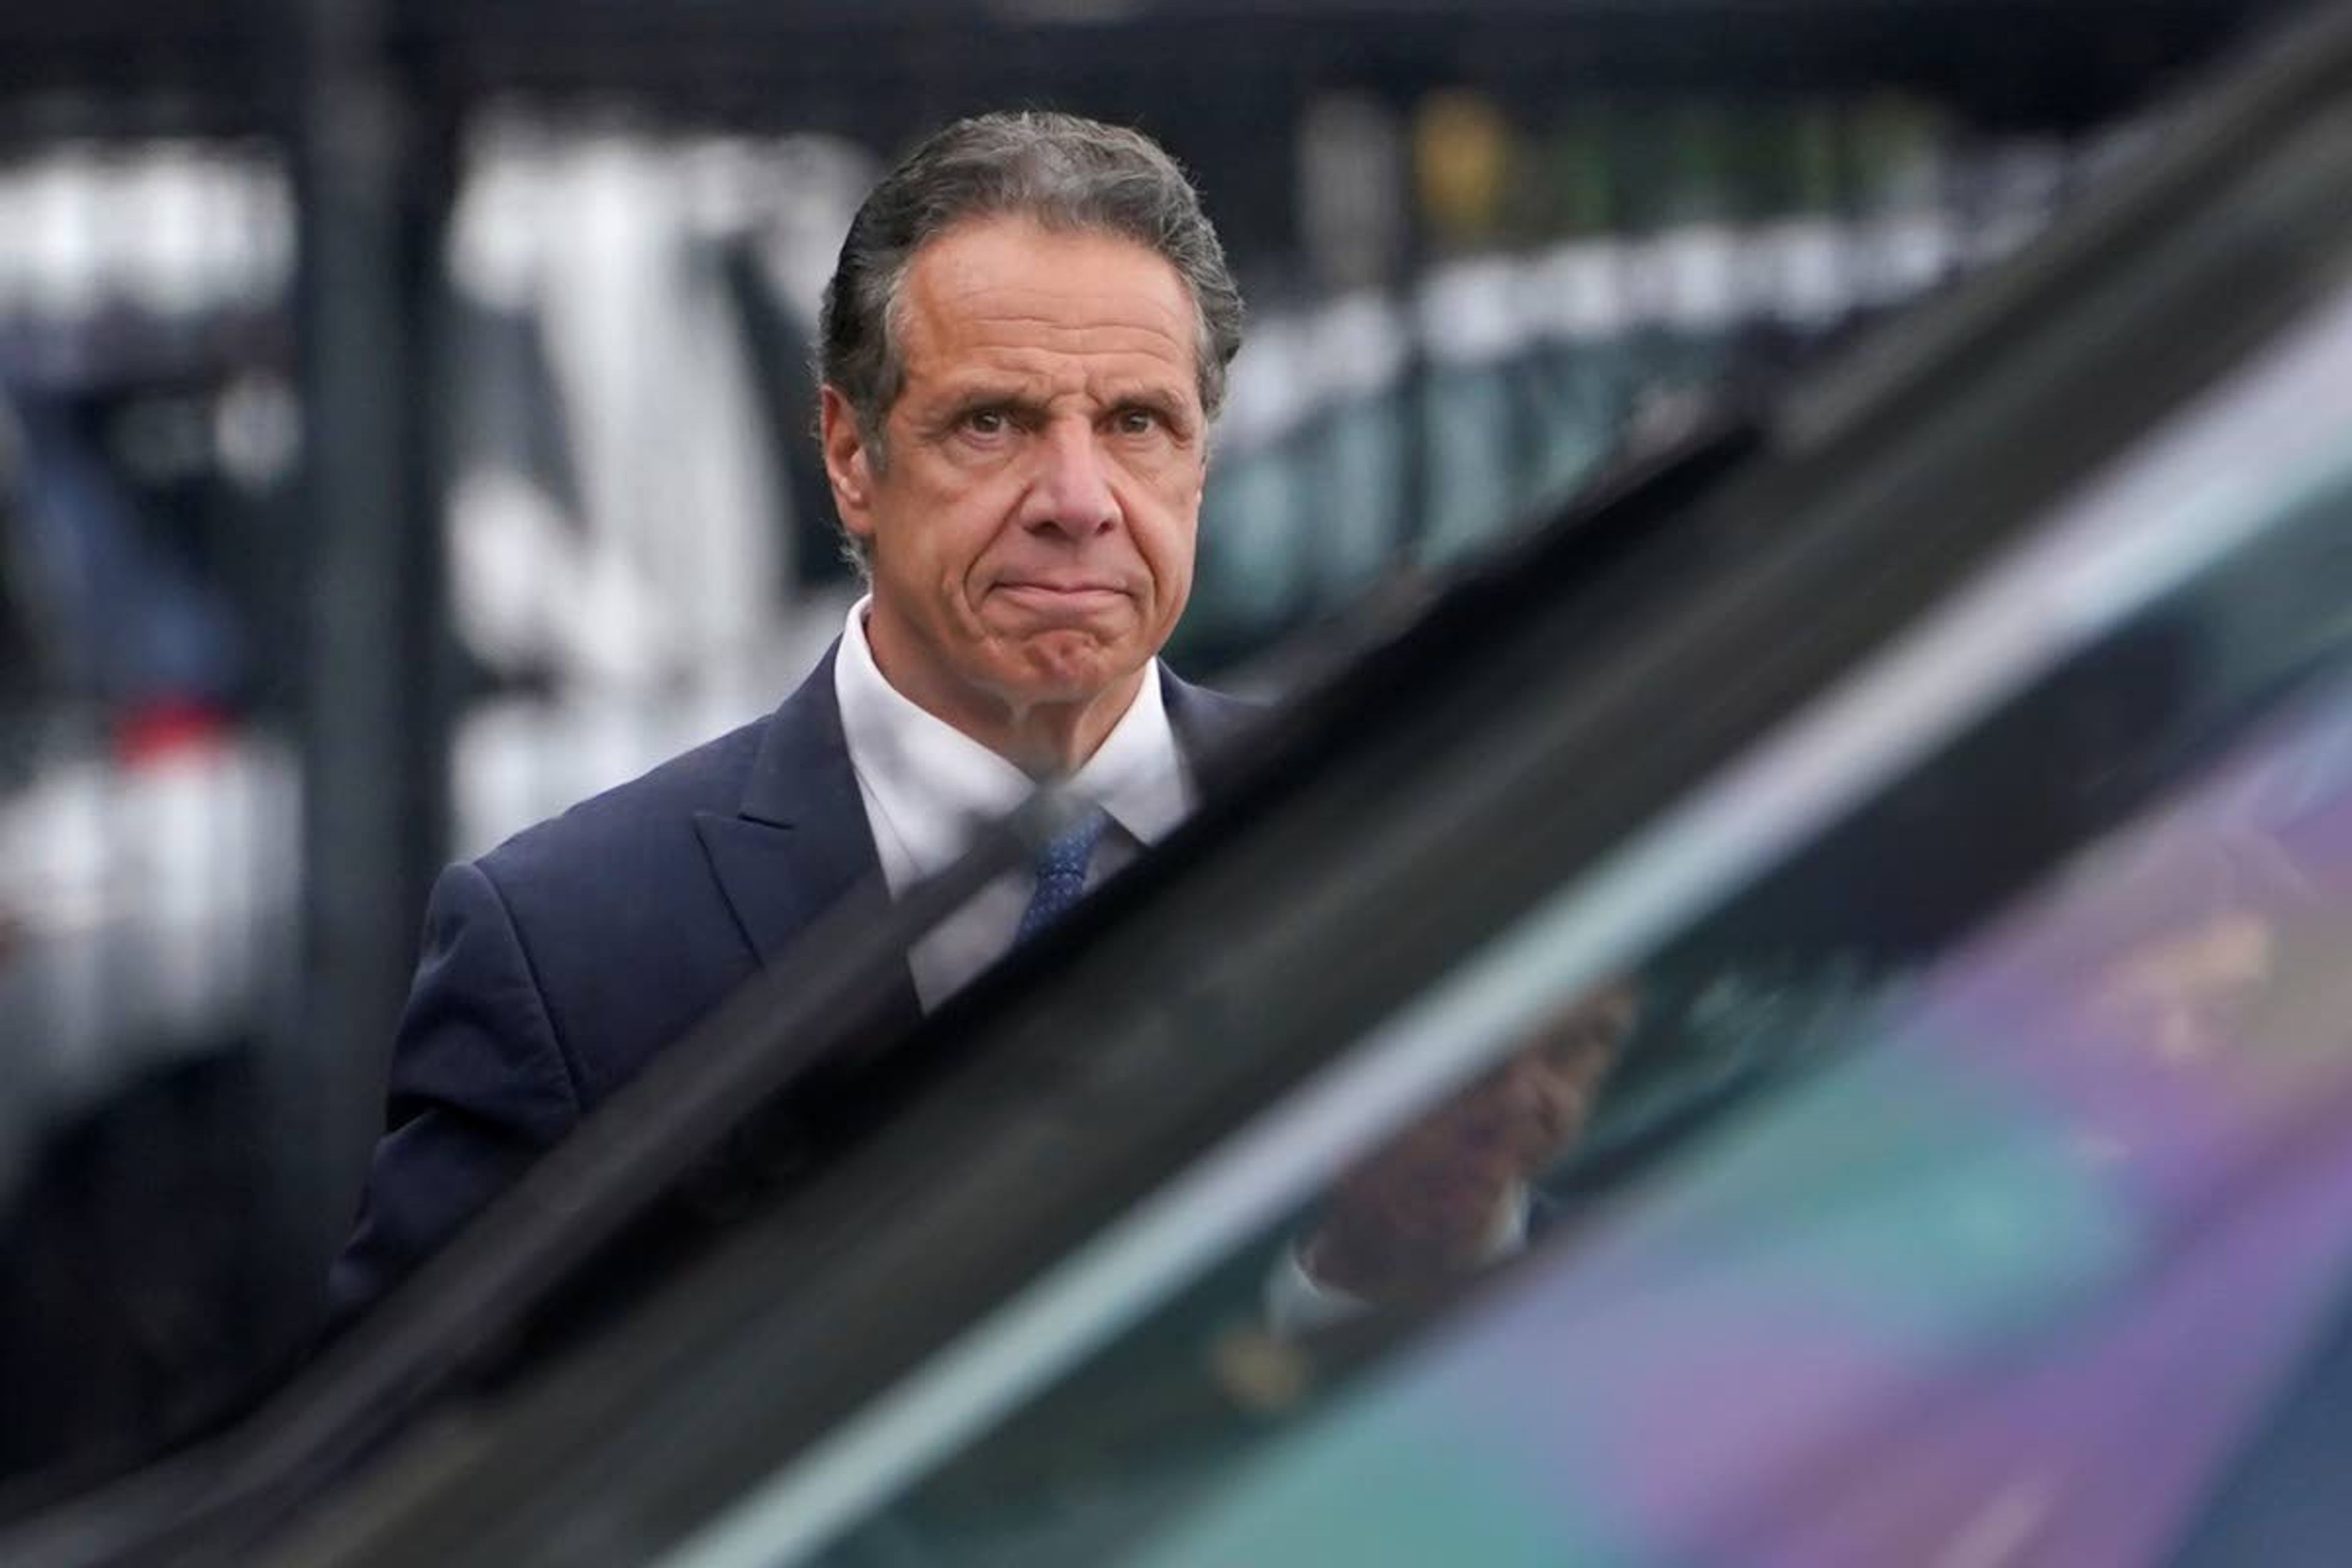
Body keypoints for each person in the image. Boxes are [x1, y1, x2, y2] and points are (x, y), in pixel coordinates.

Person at [331, 110, 1599, 1329]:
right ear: (847, 453)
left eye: (1137, 423)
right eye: (993, 421)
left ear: (1203, 455)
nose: (1077, 498)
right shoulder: (568, 946)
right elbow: (404, 1474)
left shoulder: (1375, 845)